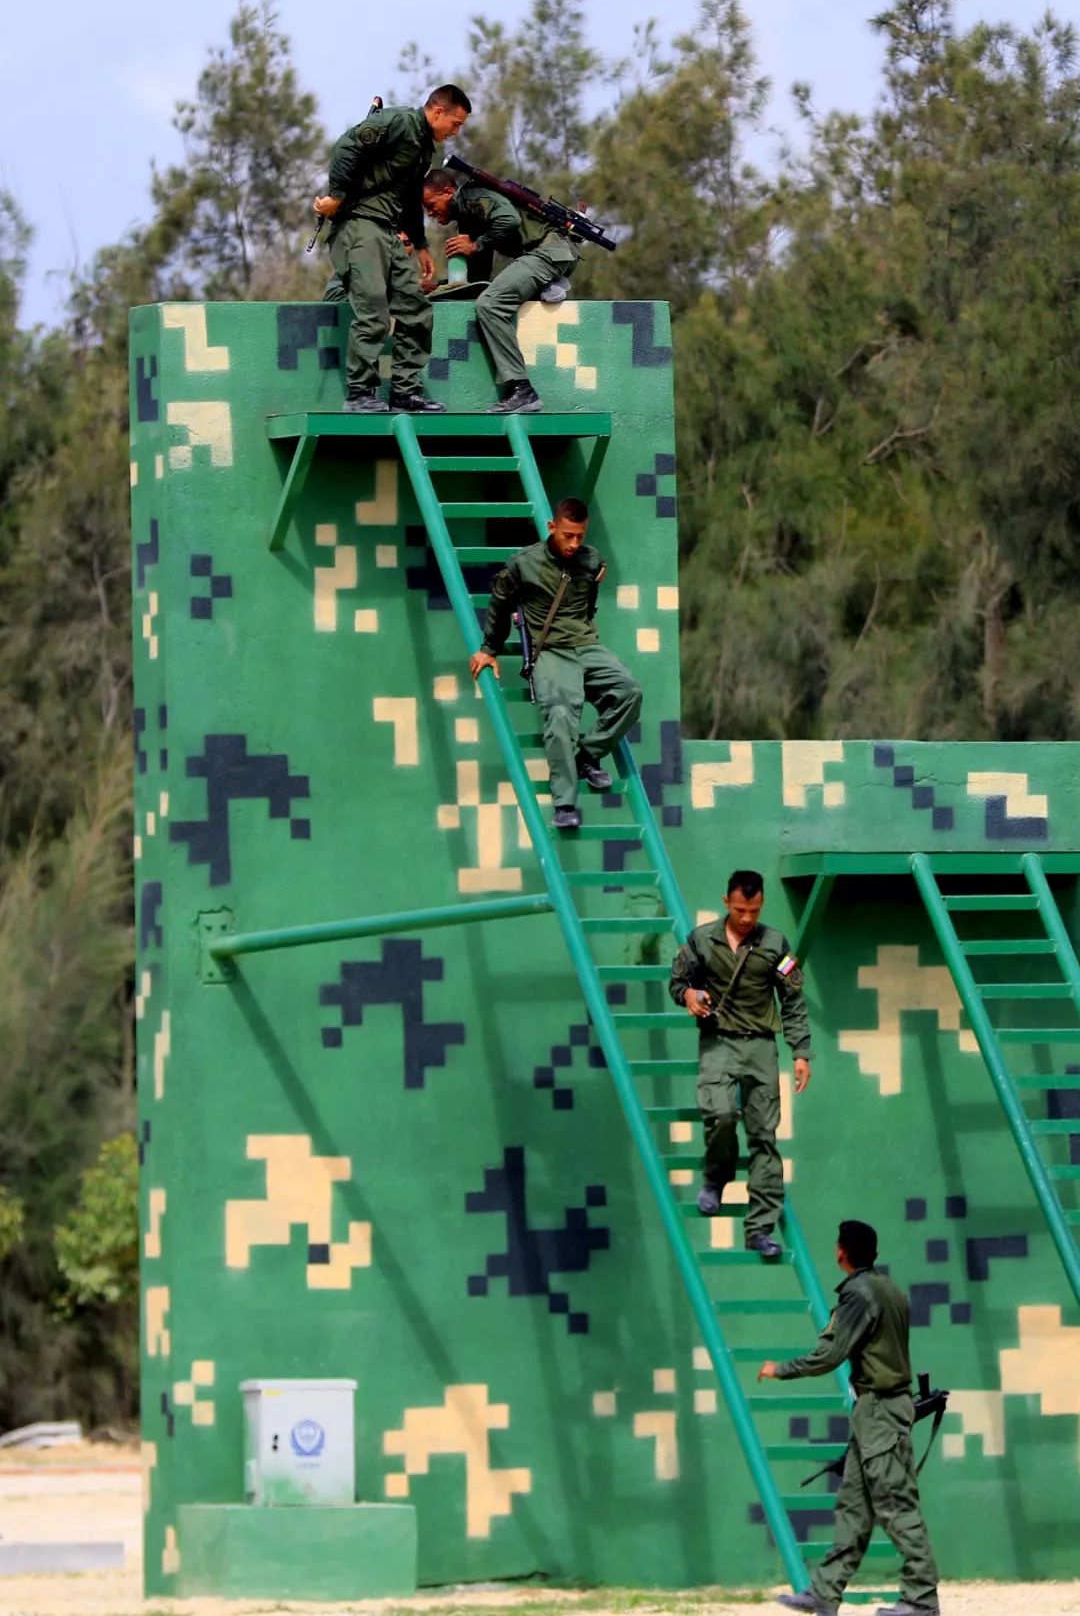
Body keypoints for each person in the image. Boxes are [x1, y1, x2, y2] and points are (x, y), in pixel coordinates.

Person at [761, 1219, 940, 1616]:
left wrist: (782, 1369)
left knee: (897, 1506)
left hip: (880, 1411)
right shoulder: (888, 1289)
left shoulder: (859, 1294)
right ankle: (825, 1593)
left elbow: (829, 1355)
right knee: (854, 1507)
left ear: (842, 1251)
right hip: (877, 1412)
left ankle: (921, 1602)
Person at [469, 497, 641, 831]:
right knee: (561, 712)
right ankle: (565, 802)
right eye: (567, 535)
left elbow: (589, 604)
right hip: (550, 649)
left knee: (630, 692)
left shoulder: (591, 560)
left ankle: (587, 754)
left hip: (586, 644)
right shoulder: (524, 563)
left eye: (580, 535)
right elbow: (499, 603)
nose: (574, 543)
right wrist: (489, 648)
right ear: (552, 528)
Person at [669, 870, 811, 1259]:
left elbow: (794, 998)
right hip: (718, 1042)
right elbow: (678, 982)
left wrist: (800, 1052)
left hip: (761, 1047)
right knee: (720, 1115)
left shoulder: (775, 944)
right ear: (726, 902)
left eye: (754, 909)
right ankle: (716, 1179)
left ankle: (760, 1227)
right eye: (739, 909)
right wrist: (690, 996)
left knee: (764, 1136)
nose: (747, 917)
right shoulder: (701, 940)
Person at [315, 86, 472, 414]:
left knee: (416, 311)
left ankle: (405, 391)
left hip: (386, 230)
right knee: (373, 310)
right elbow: (347, 145)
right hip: (359, 226)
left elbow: (411, 196)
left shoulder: (423, 149)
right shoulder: (399, 122)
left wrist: (421, 244)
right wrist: (338, 197)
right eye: (455, 123)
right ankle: (360, 393)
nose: (456, 131)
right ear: (437, 112)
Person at [422, 168, 580, 415]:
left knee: (490, 305)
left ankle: (522, 389)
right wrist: (440, 286)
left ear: (448, 191)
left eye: (431, 204)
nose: (430, 213)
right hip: (545, 255)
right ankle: (546, 286)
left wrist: (476, 245)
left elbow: (510, 219)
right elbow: (477, 280)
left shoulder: (471, 196)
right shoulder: (468, 217)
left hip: (550, 251)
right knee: (488, 296)